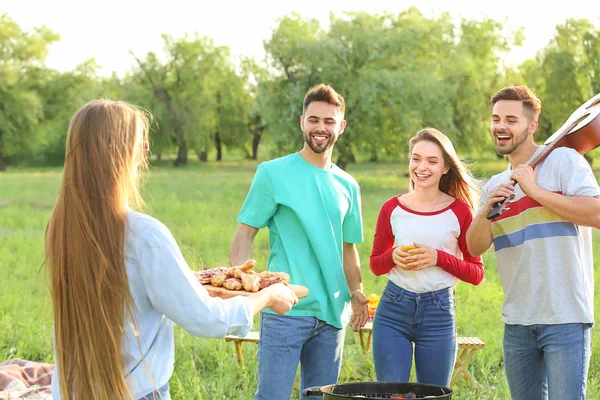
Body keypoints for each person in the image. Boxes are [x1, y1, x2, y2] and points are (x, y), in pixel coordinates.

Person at [44, 99, 299, 400]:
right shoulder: (145, 235)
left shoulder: (62, 227)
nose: (145, 154)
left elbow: (125, 285)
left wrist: (186, 279)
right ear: (120, 155)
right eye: (142, 145)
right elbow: (207, 319)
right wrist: (268, 296)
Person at [230, 83, 369, 400]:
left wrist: (357, 291)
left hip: (333, 314)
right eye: (314, 119)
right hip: (284, 311)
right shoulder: (273, 173)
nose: (321, 128)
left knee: (320, 399)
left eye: (329, 121)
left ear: (341, 127)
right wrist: (241, 284)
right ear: (302, 121)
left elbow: (349, 249)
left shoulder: (348, 185)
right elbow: (244, 235)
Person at [466, 86, 600, 399]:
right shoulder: (496, 187)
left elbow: (596, 213)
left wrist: (536, 191)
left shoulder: (565, 161)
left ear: (532, 126)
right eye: (496, 118)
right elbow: (474, 247)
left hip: (565, 318)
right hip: (517, 322)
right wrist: (485, 212)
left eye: (511, 119)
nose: (501, 126)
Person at [369, 127, 484, 387]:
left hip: (438, 312)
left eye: (432, 161)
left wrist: (438, 258)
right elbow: (375, 265)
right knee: (391, 393)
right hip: (393, 310)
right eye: (416, 158)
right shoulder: (391, 208)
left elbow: (477, 273)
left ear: (445, 167)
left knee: (433, 394)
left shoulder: (460, 211)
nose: (422, 167)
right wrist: (393, 257)